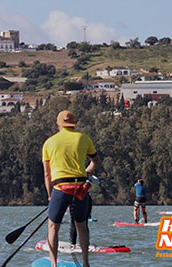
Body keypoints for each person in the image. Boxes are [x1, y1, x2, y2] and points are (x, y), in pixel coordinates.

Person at [42, 110, 99, 267]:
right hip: (80, 188)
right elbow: (95, 160)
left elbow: (47, 175)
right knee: (81, 226)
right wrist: (88, 171)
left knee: (53, 226)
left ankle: (53, 264)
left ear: (58, 124)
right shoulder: (83, 138)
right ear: (73, 123)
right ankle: (86, 263)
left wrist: (49, 196)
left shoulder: (49, 142)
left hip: (60, 188)